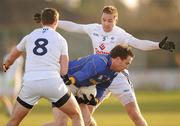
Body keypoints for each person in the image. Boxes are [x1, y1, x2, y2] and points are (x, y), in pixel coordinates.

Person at [34, 5, 175, 126]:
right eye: (104, 20)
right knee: (86, 118)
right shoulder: (94, 29)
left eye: (110, 20)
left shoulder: (120, 34)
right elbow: (74, 27)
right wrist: (51, 21)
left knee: (134, 113)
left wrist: (158, 45)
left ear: (115, 20)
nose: (106, 23)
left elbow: (139, 43)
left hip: (117, 76)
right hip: (98, 75)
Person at [3, 8, 84, 126]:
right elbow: (64, 66)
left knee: (14, 120)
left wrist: (6, 65)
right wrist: (65, 78)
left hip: (31, 83)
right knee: (76, 115)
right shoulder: (60, 39)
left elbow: (12, 57)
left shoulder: (29, 36)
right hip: (52, 82)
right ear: (56, 21)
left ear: (42, 21)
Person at [43, 45, 134, 126]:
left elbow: (102, 86)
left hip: (79, 87)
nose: (127, 67)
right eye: (127, 63)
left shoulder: (114, 72)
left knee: (87, 121)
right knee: (60, 123)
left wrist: (96, 99)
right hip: (66, 82)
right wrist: (71, 79)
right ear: (117, 59)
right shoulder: (100, 61)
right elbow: (84, 73)